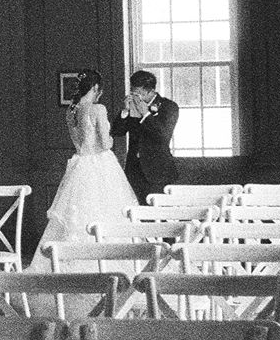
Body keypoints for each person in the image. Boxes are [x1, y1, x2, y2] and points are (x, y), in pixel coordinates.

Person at [38, 69, 140, 249]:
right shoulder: (98, 109)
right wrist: (109, 136)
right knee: (105, 210)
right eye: (99, 89)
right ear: (95, 87)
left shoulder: (71, 111)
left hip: (80, 165)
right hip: (99, 164)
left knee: (77, 213)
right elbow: (106, 144)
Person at [111, 69, 180, 204]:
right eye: (132, 91)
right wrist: (124, 111)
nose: (134, 95)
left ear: (150, 91)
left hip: (158, 172)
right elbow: (116, 132)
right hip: (133, 171)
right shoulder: (131, 106)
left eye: (138, 92)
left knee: (158, 216)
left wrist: (146, 115)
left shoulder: (169, 107)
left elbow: (163, 136)